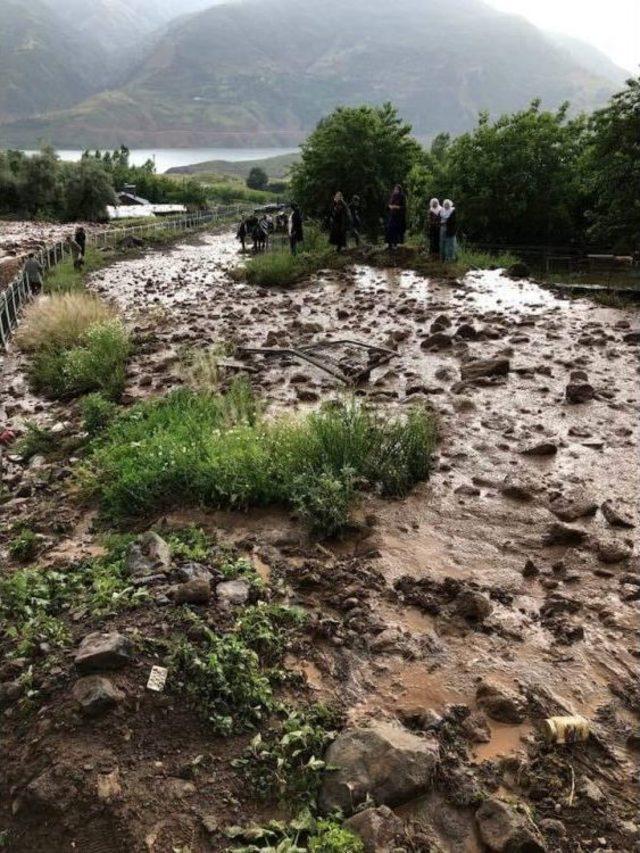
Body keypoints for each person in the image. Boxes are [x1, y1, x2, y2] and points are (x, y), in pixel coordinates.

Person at [385, 184, 407, 249]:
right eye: (395, 189)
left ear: (399, 190)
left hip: (399, 217)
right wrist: (389, 206)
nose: (395, 190)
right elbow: (388, 205)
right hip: (392, 215)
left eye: (397, 189)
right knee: (389, 229)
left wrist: (397, 207)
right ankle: (389, 244)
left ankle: (395, 244)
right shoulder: (393, 196)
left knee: (396, 230)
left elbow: (404, 207)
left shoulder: (402, 197)